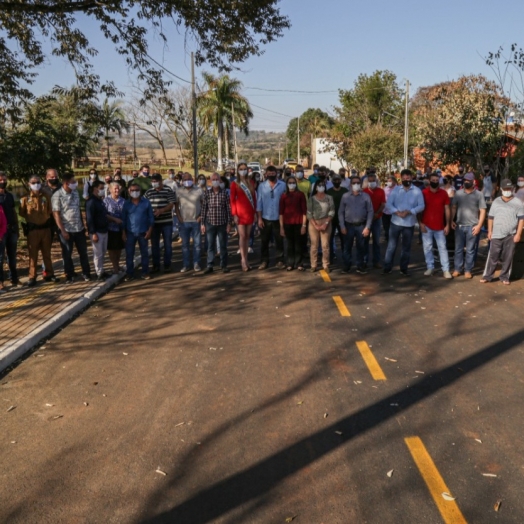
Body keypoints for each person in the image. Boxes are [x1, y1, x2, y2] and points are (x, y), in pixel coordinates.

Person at [481, 179, 524, 284]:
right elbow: (490, 217)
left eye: (509, 188)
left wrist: (518, 234)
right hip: (496, 234)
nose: (507, 190)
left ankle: (504, 277)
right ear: (501, 189)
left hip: (511, 235)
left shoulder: (518, 202)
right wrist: (490, 231)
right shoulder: (496, 201)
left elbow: (521, 219)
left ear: (512, 189)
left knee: (508, 257)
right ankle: (488, 276)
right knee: (493, 256)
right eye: (505, 188)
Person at [383, 169, 425, 276]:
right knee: (391, 246)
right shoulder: (396, 190)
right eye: (404, 178)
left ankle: (403, 268)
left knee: (406, 248)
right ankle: (387, 267)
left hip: (409, 224)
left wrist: (410, 212)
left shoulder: (417, 191)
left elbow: (421, 206)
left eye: (408, 177)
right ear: (401, 178)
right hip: (395, 223)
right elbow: (388, 204)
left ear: (412, 178)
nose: (406, 180)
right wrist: (396, 212)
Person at [19, 175, 58, 287]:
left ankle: (49, 274)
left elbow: (50, 210)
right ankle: (32, 277)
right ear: (29, 184)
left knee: (47, 253)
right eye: (33, 182)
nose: (36, 184)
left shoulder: (46, 196)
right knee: (33, 255)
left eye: (38, 182)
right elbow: (22, 213)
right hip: (33, 231)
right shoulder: (25, 198)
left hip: (45, 229)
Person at [52, 172, 92, 283]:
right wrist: (63, 230)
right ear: (66, 183)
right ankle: (69, 275)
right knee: (67, 253)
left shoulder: (75, 192)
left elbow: (78, 209)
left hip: (79, 228)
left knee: (83, 252)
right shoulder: (57, 195)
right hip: (66, 230)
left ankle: (86, 273)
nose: (75, 184)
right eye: (73, 182)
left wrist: (83, 226)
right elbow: (56, 214)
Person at [451, 172, 486, 279]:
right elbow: (453, 207)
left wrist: (479, 225)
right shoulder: (458, 193)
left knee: (470, 250)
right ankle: (457, 269)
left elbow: (483, 210)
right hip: (459, 226)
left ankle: (468, 270)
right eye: (465, 180)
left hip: (472, 226)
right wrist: (452, 220)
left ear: (473, 182)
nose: (466, 182)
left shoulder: (479, 195)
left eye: (469, 180)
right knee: (458, 249)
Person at [420, 172, 452, 279]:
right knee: (427, 247)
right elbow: (419, 209)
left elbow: (447, 209)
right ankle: (430, 267)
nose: (434, 182)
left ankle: (446, 270)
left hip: (440, 226)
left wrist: (447, 224)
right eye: (432, 180)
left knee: (442, 248)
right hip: (426, 225)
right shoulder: (423, 193)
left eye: (436, 180)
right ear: (429, 181)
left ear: (439, 181)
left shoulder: (443, 193)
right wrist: (420, 223)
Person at [338, 175, 373, 274]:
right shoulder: (345, 196)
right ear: (350, 184)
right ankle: (346, 266)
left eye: (358, 183)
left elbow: (370, 212)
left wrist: (367, 227)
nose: (356, 184)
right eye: (354, 183)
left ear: (361, 184)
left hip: (361, 226)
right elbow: (340, 212)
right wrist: (342, 226)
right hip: (348, 225)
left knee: (361, 247)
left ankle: (360, 265)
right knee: (347, 247)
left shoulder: (366, 196)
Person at [257, 165, 287, 270]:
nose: (271, 175)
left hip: (279, 218)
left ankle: (280, 260)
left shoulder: (283, 185)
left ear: (277, 173)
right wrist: (259, 218)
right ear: (266, 174)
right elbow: (259, 203)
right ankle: (264, 261)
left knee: (279, 241)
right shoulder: (262, 186)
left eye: (273, 173)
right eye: (269, 174)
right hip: (266, 217)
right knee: (264, 241)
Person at [201, 172, 232, 274]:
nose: (215, 181)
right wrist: (202, 223)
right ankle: (210, 265)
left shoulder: (224, 193)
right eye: (213, 180)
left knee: (223, 245)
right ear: (210, 181)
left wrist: (229, 223)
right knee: (210, 245)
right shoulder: (207, 193)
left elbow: (228, 209)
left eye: (217, 179)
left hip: (222, 223)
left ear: (220, 181)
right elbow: (204, 209)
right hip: (210, 223)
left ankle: (223, 265)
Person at [122, 182, 154, 281]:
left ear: (140, 191)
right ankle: (130, 273)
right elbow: (123, 219)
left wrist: (150, 231)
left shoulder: (146, 202)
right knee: (129, 254)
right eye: (132, 190)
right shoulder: (126, 204)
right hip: (130, 232)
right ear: (129, 191)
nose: (134, 192)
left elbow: (151, 218)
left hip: (143, 232)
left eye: (137, 190)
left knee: (144, 253)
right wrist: (123, 233)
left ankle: (145, 272)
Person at [145, 173, 176, 273]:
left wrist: (161, 210)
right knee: (154, 245)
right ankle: (156, 265)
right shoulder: (149, 192)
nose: (154, 183)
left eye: (156, 181)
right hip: (154, 223)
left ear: (161, 181)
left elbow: (171, 204)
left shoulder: (168, 190)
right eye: (153, 181)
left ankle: (167, 264)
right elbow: (144, 204)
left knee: (167, 244)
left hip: (166, 222)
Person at [231, 163, 257, 271]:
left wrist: (255, 212)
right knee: (242, 236)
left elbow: (254, 198)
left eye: (244, 169)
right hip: (240, 213)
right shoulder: (234, 183)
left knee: (247, 236)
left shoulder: (251, 182)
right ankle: (243, 260)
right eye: (241, 169)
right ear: (238, 170)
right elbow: (232, 200)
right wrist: (234, 214)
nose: (243, 171)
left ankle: (246, 259)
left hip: (249, 212)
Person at [176, 173, 203, 273]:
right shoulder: (179, 191)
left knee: (197, 244)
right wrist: (178, 217)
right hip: (184, 222)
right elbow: (176, 205)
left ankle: (196, 263)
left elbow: (204, 204)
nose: (187, 181)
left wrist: (200, 216)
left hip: (196, 221)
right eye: (185, 179)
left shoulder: (199, 190)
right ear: (182, 181)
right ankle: (186, 265)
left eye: (189, 179)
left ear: (192, 179)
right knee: (185, 245)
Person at [279, 175, 307, 271]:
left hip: (299, 223)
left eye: (293, 183)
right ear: (286, 184)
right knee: (289, 244)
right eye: (289, 183)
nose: (292, 184)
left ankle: (299, 263)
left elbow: (304, 211)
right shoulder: (283, 196)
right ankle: (290, 263)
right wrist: (281, 227)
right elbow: (281, 213)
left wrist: (304, 225)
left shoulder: (300, 194)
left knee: (299, 244)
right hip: (287, 223)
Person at [307, 179, 335, 272]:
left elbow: (332, 211)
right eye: (319, 185)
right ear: (316, 187)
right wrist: (315, 225)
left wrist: (326, 223)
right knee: (314, 245)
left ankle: (326, 264)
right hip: (313, 222)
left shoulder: (329, 198)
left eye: (323, 185)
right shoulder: (311, 199)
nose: (321, 186)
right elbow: (309, 213)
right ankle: (313, 265)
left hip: (326, 221)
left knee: (325, 245)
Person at [86, 180, 110, 281]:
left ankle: (102, 269)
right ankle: (98, 272)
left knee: (103, 252)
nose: (102, 190)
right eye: (101, 188)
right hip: (97, 232)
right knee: (98, 253)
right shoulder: (91, 201)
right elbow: (89, 218)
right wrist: (93, 232)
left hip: (104, 230)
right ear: (95, 188)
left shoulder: (100, 200)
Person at [363, 171, 386, 269]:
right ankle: (364, 261)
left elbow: (383, 204)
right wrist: (369, 216)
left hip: (377, 219)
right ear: (367, 182)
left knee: (376, 241)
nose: (372, 182)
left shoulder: (381, 191)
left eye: (373, 181)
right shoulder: (364, 192)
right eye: (370, 181)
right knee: (365, 241)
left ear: (376, 181)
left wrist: (376, 214)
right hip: (366, 219)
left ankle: (376, 261)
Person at [0, 173, 19, 287]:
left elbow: (13, 212)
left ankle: (14, 278)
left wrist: (17, 228)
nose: (3, 182)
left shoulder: (10, 196)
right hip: (1, 232)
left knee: (12, 256)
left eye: (5, 180)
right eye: (1, 180)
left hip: (11, 230)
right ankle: (1, 281)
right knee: (0, 258)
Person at [104, 182, 126, 275]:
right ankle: (114, 266)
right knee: (112, 248)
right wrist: (113, 219)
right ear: (110, 190)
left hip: (121, 229)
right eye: (115, 189)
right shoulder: (106, 201)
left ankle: (117, 264)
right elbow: (104, 214)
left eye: (118, 188)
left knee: (119, 248)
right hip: (110, 229)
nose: (117, 190)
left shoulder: (123, 201)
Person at [327, 173, 348, 264]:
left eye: (338, 180)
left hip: (342, 219)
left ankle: (345, 257)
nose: (337, 182)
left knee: (344, 239)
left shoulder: (345, 190)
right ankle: (331, 257)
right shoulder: (329, 191)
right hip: (331, 219)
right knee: (330, 239)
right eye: (335, 180)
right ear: (332, 181)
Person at [382, 175, 397, 243]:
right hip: (385, 211)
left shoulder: (398, 189)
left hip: (393, 211)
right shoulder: (385, 189)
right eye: (388, 181)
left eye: (390, 181)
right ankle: (387, 236)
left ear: (394, 182)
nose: (389, 182)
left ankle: (392, 237)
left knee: (393, 226)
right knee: (386, 225)